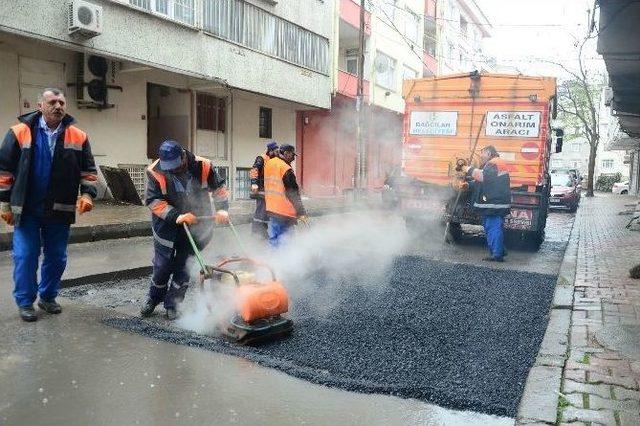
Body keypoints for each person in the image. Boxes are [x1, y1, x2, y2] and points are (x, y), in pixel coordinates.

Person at [0, 88, 97, 322]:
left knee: (57, 257)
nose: (58, 106)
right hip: (27, 208)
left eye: (62, 102)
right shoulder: (19, 132)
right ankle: (25, 302)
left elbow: (89, 172)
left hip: (60, 208)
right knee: (26, 255)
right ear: (40, 105)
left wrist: (87, 195)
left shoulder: (78, 136)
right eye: (52, 102)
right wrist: (4, 204)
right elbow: (4, 170)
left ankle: (48, 296)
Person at [140, 140, 230, 320]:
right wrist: (177, 216)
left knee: (184, 266)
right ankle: (153, 297)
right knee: (162, 265)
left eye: (175, 165)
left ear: (183, 156)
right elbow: (153, 201)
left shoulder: (203, 165)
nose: (172, 170)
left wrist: (222, 209)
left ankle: (173, 304)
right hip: (166, 225)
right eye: (168, 167)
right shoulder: (155, 171)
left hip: (198, 223)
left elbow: (219, 188)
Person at [462, 145, 511, 262]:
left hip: (494, 203)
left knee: (493, 227)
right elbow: (485, 182)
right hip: (494, 202)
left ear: (489, 153)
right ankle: (499, 250)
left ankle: (497, 255)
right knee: (491, 227)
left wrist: (467, 169)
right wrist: (468, 185)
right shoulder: (494, 163)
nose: (481, 156)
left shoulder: (494, 163)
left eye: (483, 153)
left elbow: (483, 176)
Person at [264, 144, 307, 247]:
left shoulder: (269, 163)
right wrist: (301, 212)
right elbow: (293, 193)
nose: (293, 158)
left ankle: (273, 261)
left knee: (274, 239)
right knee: (287, 241)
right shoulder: (285, 169)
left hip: (272, 208)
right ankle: (285, 262)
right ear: (286, 153)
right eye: (292, 155)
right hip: (285, 212)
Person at [249, 141, 279, 239]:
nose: (277, 152)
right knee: (261, 210)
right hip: (262, 189)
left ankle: (262, 230)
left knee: (267, 212)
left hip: (270, 190)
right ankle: (257, 231)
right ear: (270, 151)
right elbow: (254, 170)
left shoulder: (274, 159)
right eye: (275, 151)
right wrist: (254, 183)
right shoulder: (261, 158)